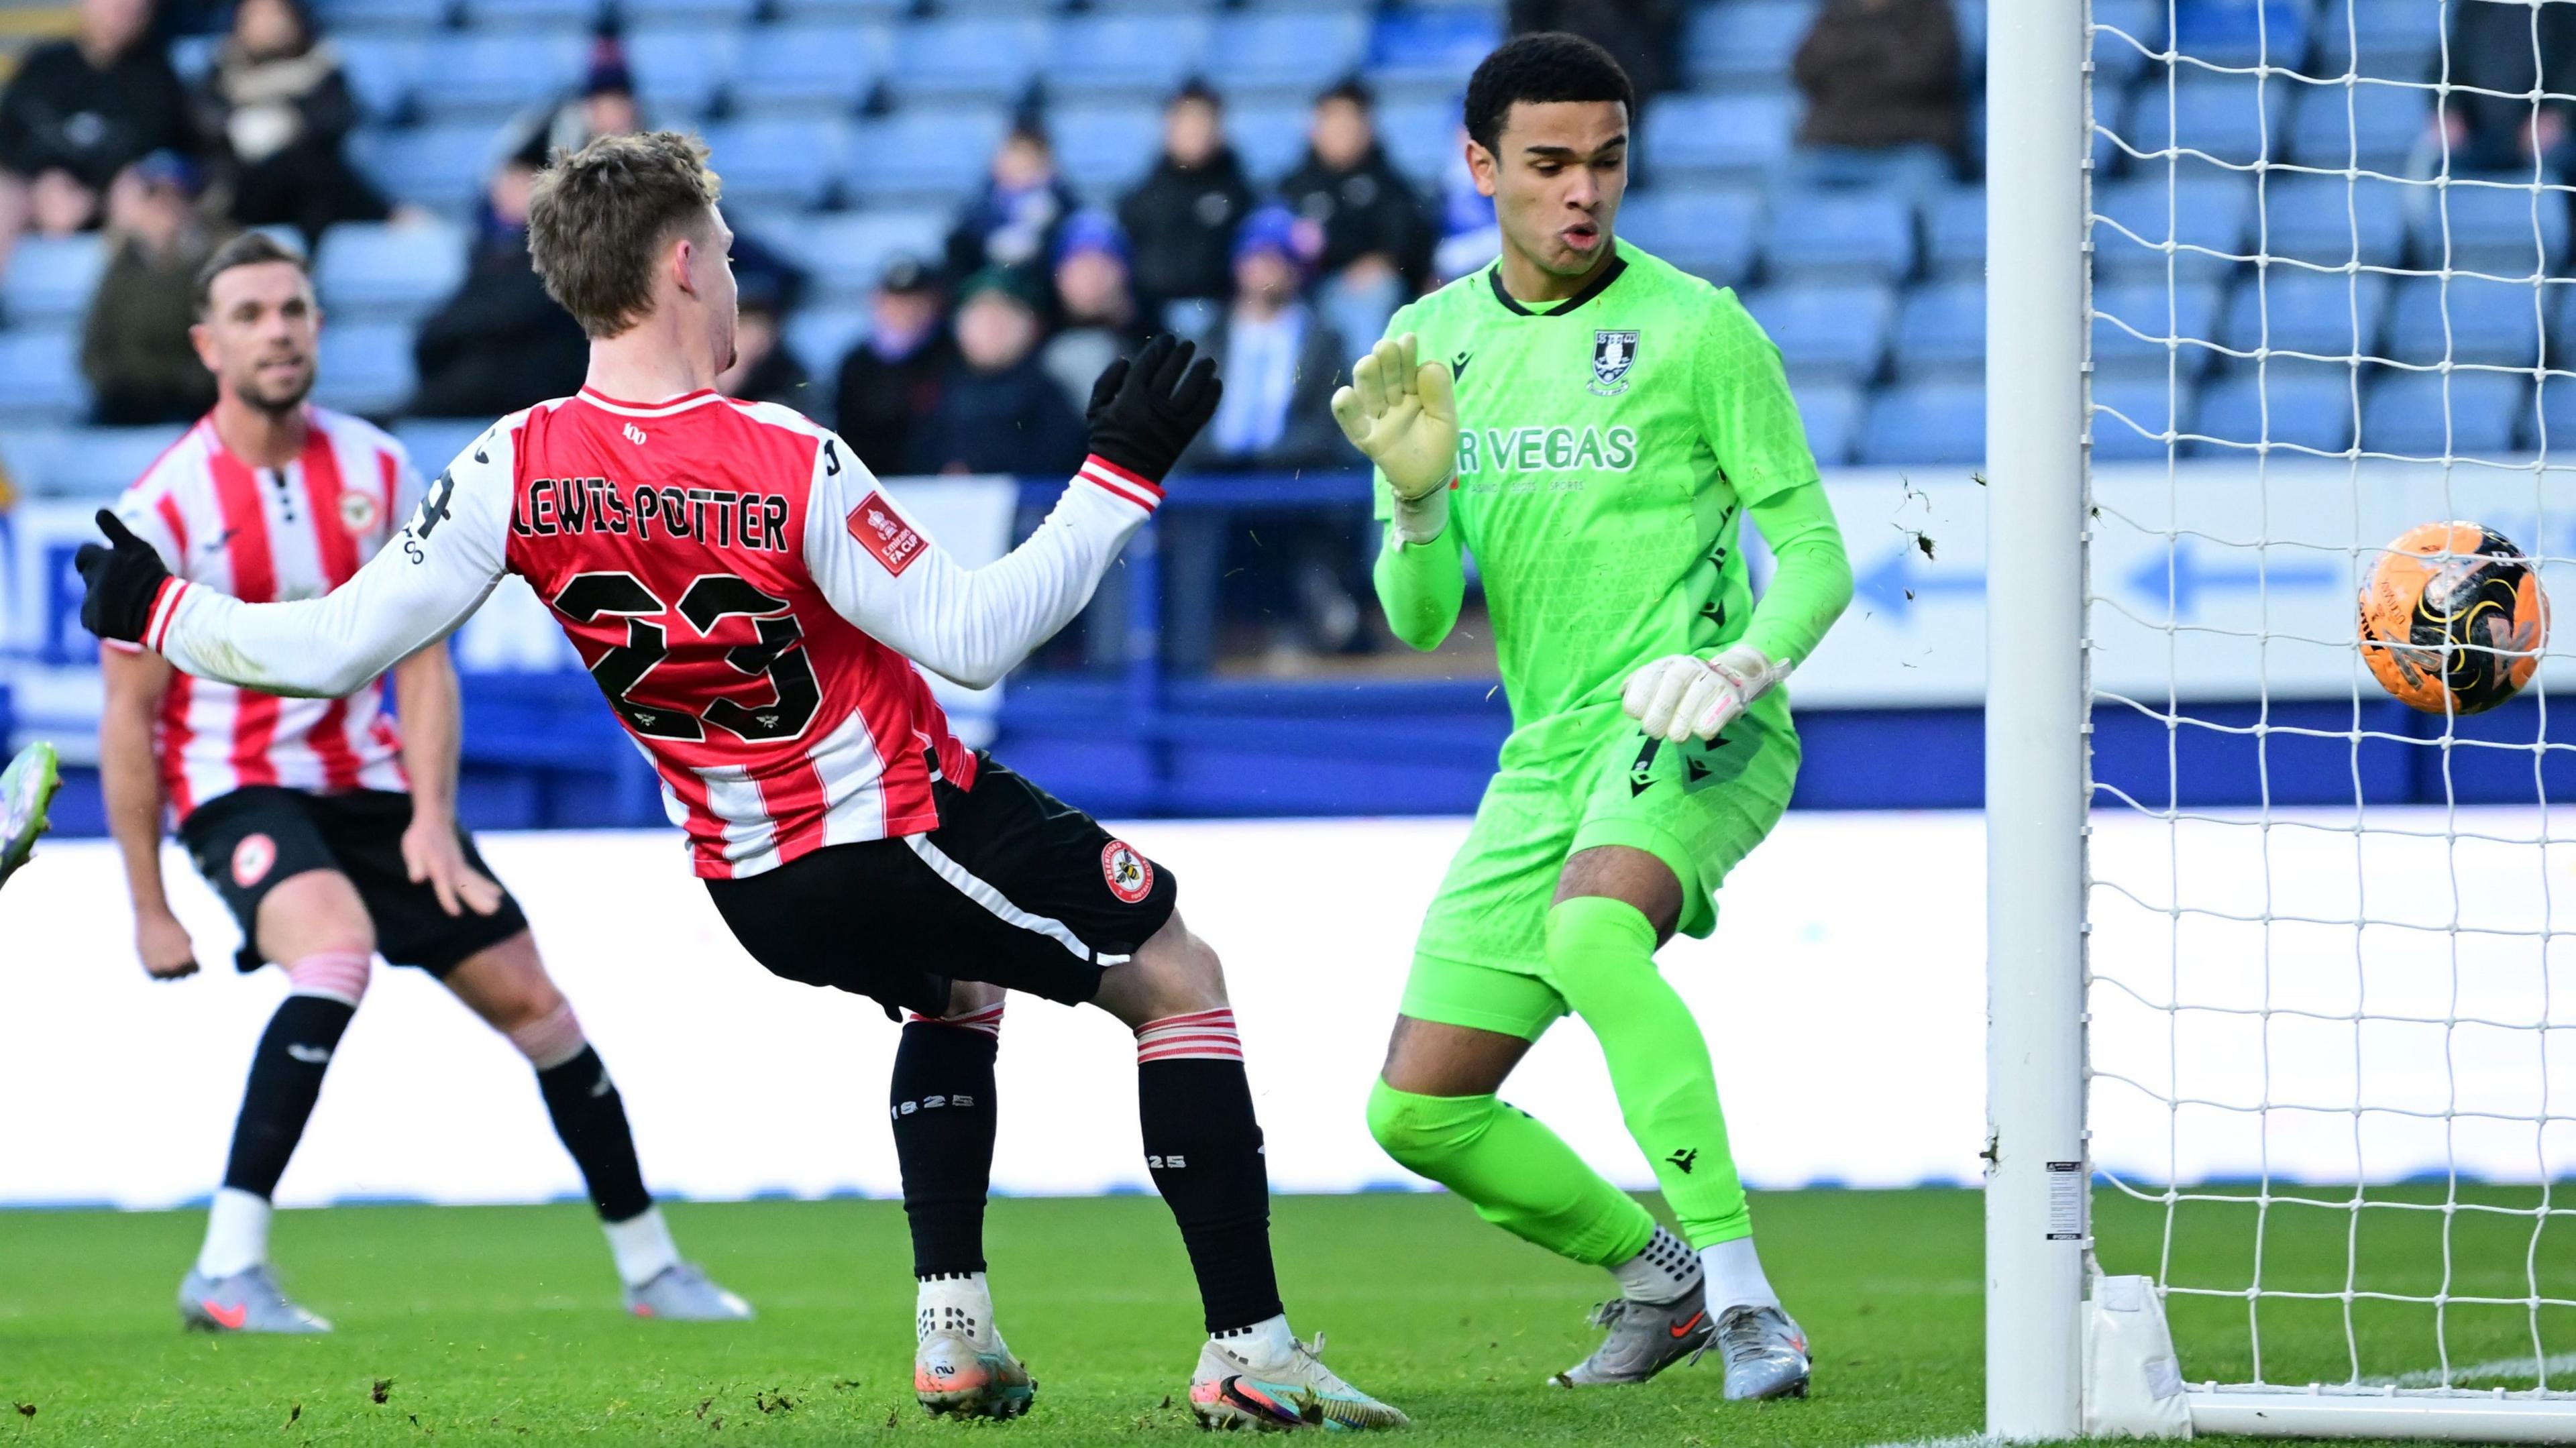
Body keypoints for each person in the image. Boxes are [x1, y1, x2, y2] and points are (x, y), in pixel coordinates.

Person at [74, 129, 1407, 1432]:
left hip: (749, 880)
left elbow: (337, 643)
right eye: (715, 251)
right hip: (893, 816)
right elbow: (979, 632)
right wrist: (1117, 477)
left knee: (960, 987)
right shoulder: (784, 456)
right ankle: (1254, 1349)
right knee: (1178, 971)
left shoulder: (510, 461)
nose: (731, 277)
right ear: (674, 271)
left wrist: (162, 605)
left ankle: (957, 1328)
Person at [92, 232, 752, 1334]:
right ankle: (225, 1266)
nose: (279, 330)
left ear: (318, 325)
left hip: (380, 789)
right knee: (336, 950)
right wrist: (148, 903)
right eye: (251, 314)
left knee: (538, 1003)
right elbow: (130, 715)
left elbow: (423, 661)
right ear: (208, 343)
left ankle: (652, 1268)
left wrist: (436, 821)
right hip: (238, 784)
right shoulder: (160, 508)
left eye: (295, 308)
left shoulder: (380, 470)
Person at [1334, 34, 1851, 1399]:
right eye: (1551, 164)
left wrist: (1741, 664)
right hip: (1547, 749)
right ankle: (1662, 1274)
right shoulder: (1429, 344)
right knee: (1419, 1105)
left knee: (1592, 932)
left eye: (1607, 161)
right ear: (1481, 165)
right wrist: (1416, 499)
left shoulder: (1700, 328)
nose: (1584, 193)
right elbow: (1419, 615)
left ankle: (1751, 1301)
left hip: (1694, 719)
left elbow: (1817, 552)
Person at [191, 0, 391, 245]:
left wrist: (290, 123)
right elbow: (202, 124)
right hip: (243, 188)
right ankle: (384, 213)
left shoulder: (322, 66)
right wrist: (239, 128)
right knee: (305, 165)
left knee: (311, 171)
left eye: (276, 15)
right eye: (256, 17)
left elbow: (337, 119)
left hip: (310, 191)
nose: (268, 25)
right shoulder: (221, 69)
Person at [409, 158, 590, 418]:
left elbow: (515, 311)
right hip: (494, 368)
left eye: (519, 183)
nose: (504, 190)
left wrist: (443, 337)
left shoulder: (561, 251)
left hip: (536, 376)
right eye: (503, 181)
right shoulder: (491, 250)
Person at [0, 0, 194, 241]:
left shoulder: (158, 75)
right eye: (111, 6)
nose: (119, 13)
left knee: (142, 198)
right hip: (37, 186)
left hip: (113, 191)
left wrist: (95, 193)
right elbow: (9, 135)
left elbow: (163, 143)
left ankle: (126, 278)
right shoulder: (44, 64)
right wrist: (45, 179)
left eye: (131, 8)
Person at [1275, 79, 1434, 373]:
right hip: (1301, 290)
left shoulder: (1390, 184)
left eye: (1349, 122)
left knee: (1372, 295)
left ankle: (1365, 395)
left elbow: (1407, 242)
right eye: (1332, 121)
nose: (1341, 132)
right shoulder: (1292, 186)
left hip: (1359, 291)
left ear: (1368, 127)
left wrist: (1384, 261)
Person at [82, 152, 223, 426]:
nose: (164, 209)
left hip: (195, 398)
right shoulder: (121, 266)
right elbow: (95, 342)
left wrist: (188, 383)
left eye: (175, 199)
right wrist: (115, 381)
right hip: (129, 395)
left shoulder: (215, 260)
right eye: (155, 198)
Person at [909, 265, 1087, 478]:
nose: (992, 327)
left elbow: (1059, 460)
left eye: (1005, 315)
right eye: (980, 316)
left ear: (1033, 326)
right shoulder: (939, 390)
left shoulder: (1048, 393)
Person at [1786, 0, 1963, 197]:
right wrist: (1877, 56)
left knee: (1918, 184)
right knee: (1786, 181)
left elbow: (1919, 72)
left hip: (1909, 148)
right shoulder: (1835, 13)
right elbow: (1805, 68)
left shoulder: (1932, 12)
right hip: (1832, 147)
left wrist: (1848, 60)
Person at [1118, 80, 1257, 326]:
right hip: (1150, 321)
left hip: (1225, 322)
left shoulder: (1242, 197)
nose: (1196, 130)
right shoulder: (1141, 198)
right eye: (1186, 120)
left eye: (1204, 120)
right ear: (1169, 127)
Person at [833, 254, 952, 476]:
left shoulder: (952, 354)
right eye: (895, 299)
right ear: (877, 301)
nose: (904, 310)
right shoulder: (856, 364)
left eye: (915, 300)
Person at [2439, 0, 2576, 174]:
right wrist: (2449, 110)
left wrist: (2558, 113)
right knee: (2442, 163)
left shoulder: (2561, 7)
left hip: (2553, 133)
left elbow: (2572, 65)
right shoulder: (2474, 7)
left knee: (2562, 160)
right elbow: (2448, 62)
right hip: (2480, 132)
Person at [1040, 211, 1149, 419]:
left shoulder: (1151, 333)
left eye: (1104, 264)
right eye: (1079, 266)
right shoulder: (1038, 337)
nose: (1092, 277)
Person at [943, 121, 1079, 288]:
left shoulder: (1065, 208)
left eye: (1031, 158)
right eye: (1015, 155)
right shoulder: (976, 212)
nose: (1021, 165)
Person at [716, 270, 809, 408]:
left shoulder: (788, 372)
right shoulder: (708, 361)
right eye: (745, 323)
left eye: (761, 324)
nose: (754, 335)